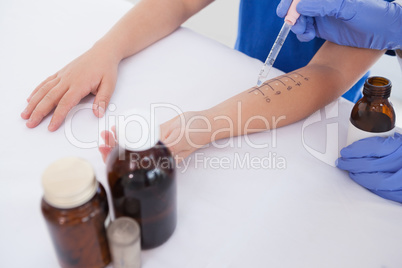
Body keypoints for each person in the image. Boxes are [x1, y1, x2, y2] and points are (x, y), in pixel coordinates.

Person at [21, 0, 400, 161]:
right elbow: (179, 3)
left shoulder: (374, 10)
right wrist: (107, 49)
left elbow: (326, 75)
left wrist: (205, 125)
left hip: (309, 128)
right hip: (238, 75)